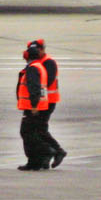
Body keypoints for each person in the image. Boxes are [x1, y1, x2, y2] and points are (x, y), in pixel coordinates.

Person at [29, 39, 66, 168]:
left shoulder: (48, 62)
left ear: (42, 49)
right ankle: (46, 155)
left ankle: (57, 151)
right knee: (39, 129)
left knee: (39, 129)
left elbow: (46, 82)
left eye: (38, 49)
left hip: (48, 101)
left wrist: (36, 102)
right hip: (42, 101)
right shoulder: (37, 63)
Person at [17, 42, 53, 170]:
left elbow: (34, 87)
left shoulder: (32, 68)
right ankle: (36, 160)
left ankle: (45, 153)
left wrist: (33, 105)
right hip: (39, 105)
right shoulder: (39, 66)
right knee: (32, 133)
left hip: (32, 107)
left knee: (27, 133)